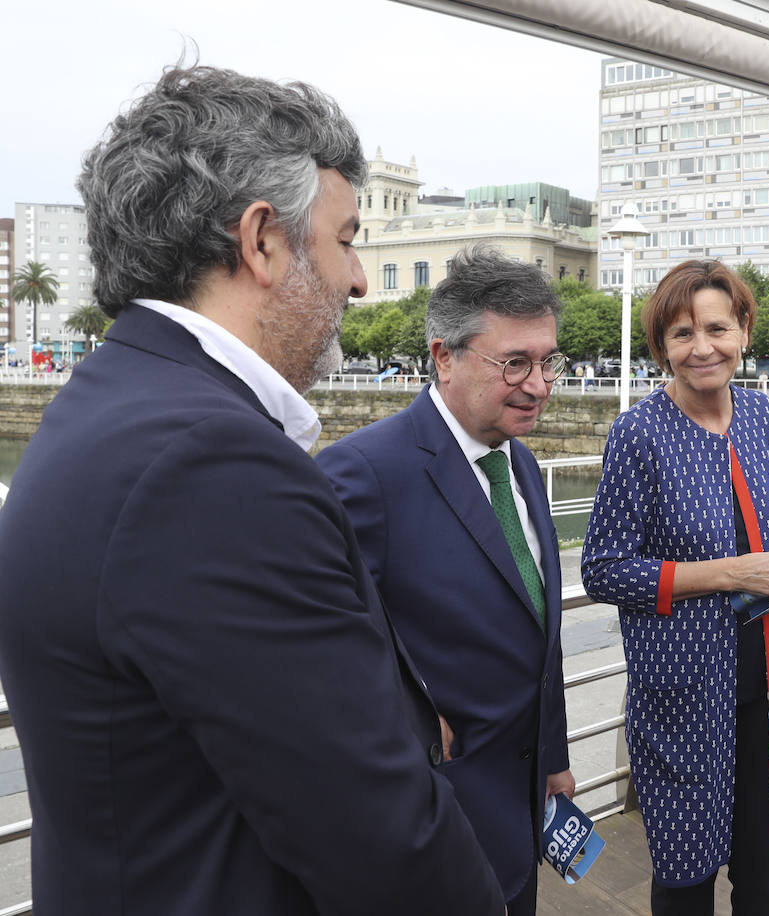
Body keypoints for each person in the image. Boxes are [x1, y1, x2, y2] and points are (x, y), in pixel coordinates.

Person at [0, 65, 505, 914]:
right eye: (344, 240)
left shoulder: (104, 409)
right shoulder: (212, 469)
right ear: (262, 240)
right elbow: (385, 843)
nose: (355, 281)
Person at [317, 246, 573, 916]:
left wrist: (551, 757)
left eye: (549, 361)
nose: (540, 384)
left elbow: (537, 633)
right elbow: (328, 663)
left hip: (524, 820)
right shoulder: (363, 474)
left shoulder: (519, 465)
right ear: (444, 357)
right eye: (515, 363)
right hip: (433, 835)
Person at [582, 259, 769, 915]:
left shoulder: (764, 418)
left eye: (717, 328)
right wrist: (734, 573)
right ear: (661, 345)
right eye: (682, 333)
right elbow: (603, 567)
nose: (702, 348)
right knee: (686, 880)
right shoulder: (637, 435)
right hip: (684, 690)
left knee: (766, 875)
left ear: (744, 330)